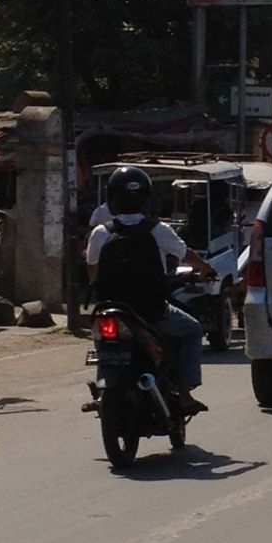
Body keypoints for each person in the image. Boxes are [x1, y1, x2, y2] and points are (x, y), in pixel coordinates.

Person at [85, 166, 215, 414]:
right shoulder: (158, 230)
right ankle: (185, 395)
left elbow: (93, 271)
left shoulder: (101, 233)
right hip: (152, 311)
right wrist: (207, 269)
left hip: (110, 310)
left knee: (104, 343)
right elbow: (187, 255)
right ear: (147, 198)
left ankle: (103, 393)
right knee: (192, 330)